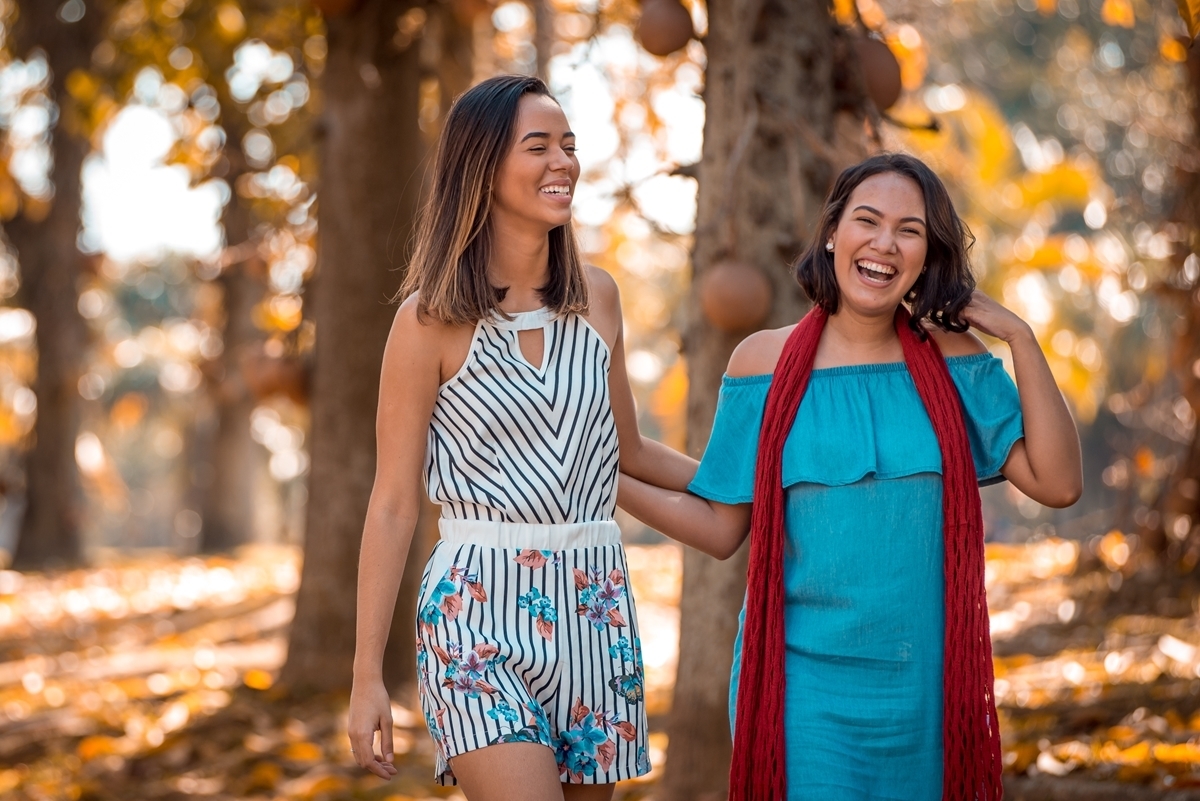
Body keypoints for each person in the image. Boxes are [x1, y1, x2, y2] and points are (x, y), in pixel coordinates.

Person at [617, 153, 1082, 800]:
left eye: (909, 230)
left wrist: (1019, 336)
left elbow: (1058, 483)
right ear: (833, 232)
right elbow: (722, 526)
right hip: (801, 688)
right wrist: (604, 479)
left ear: (927, 254)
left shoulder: (955, 358)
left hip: (927, 689)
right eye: (868, 220)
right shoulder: (761, 362)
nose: (884, 243)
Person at [347, 75, 695, 801]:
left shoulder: (599, 298)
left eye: (568, 145)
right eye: (537, 147)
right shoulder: (427, 320)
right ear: (482, 167)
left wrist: (755, 473)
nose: (562, 161)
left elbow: (630, 452)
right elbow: (393, 502)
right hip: (475, 610)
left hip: (597, 605)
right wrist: (366, 674)